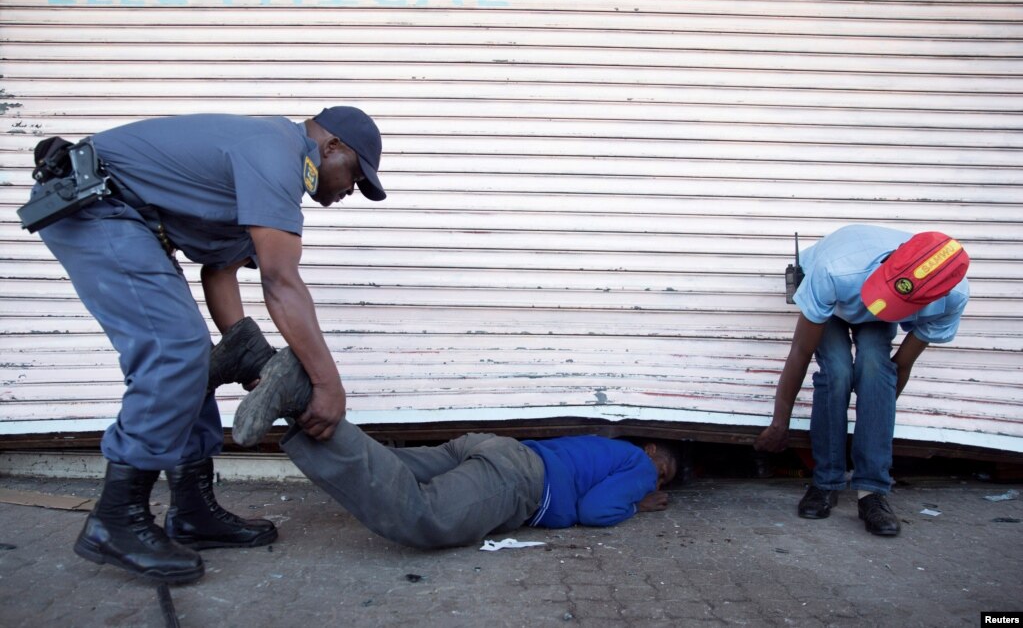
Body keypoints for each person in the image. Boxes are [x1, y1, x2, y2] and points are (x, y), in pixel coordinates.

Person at [28, 107, 385, 583]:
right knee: (172, 349)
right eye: (355, 177)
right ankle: (116, 519)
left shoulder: (268, 167)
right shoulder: (276, 154)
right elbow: (281, 282)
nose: (350, 191)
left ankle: (192, 510)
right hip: (97, 205)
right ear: (332, 146)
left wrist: (245, 352)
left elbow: (220, 271)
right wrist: (328, 385)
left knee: (194, 356)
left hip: (127, 217)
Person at [230, 347, 678, 549]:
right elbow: (594, 510)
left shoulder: (603, 447)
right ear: (654, 450)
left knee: (387, 464)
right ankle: (299, 390)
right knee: (426, 518)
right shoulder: (640, 465)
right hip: (519, 478)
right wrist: (640, 501)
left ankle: (260, 361)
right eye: (665, 472)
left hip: (488, 448)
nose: (658, 480)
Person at [754, 225, 970, 536]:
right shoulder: (833, 271)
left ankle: (873, 492)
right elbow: (801, 352)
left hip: (880, 301)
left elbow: (901, 366)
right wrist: (779, 424)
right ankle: (826, 482)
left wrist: (875, 416)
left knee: (875, 370)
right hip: (842, 292)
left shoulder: (952, 295)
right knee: (838, 371)